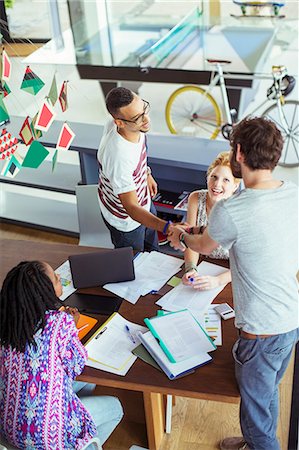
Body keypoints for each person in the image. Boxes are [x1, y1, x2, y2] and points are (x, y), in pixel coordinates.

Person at [167, 117, 299, 450]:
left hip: (260, 332)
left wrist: (182, 235)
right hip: (291, 319)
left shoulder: (234, 209)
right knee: (266, 391)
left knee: (255, 420)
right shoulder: (293, 192)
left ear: (238, 152)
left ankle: (258, 441)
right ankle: (256, 440)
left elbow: (202, 247)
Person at [0, 260, 123, 449]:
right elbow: (76, 365)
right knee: (116, 408)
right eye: (56, 278)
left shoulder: (8, 322)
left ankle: (72, 418)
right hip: (47, 436)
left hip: (8, 430)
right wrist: (71, 328)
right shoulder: (59, 322)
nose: (60, 278)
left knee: (89, 382)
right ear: (45, 292)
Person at [97, 87, 172, 252]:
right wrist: (167, 228)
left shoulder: (134, 126)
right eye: (138, 117)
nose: (146, 119)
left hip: (144, 200)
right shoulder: (118, 157)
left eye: (144, 108)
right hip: (126, 221)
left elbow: (138, 153)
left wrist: (146, 173)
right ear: (119, 122)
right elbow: (131, 207)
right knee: (136, 267)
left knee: (154, 254)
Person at [182, 151, 240, 290]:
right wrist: (191, 269)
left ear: (235, 186)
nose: (217, 184)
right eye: (213, 177)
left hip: (231, 272)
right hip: (203, 264)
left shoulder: (240, 208)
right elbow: (191, 239)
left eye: (226, 180)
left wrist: (218, 281)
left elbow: (247, 264)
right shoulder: (195, 198)